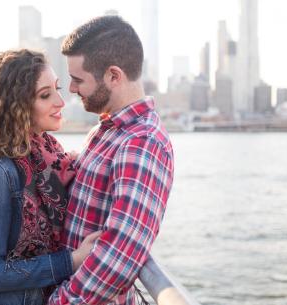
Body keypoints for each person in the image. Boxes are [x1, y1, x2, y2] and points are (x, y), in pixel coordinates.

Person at [0, 49, 101, 305]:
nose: (60, 102)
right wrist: (70, 261)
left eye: (57, 89)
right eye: (45, 95)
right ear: (15, 105)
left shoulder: (49, 157)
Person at [47, 16, 174, 305]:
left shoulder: (142, 142)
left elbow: (121, 252)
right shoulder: (105, 131)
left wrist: (60, 302)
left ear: (113, 76)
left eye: (78, 80)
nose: (71, 89)